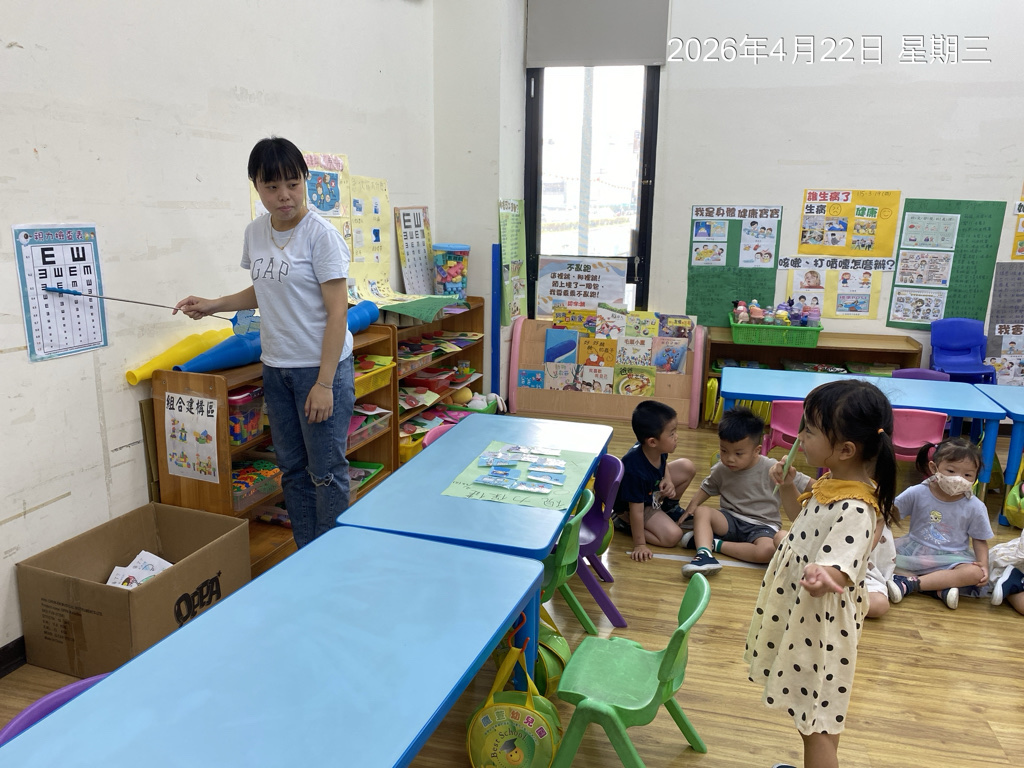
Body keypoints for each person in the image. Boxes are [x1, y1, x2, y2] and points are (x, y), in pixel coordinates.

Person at [174, 137, 355, 549]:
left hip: (319, 370)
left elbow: (338, 312)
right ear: (256, 186)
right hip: (276, 368)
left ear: (305, 179)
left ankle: (334, 558)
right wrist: (213, 304)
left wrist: (325, 383)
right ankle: (306, 554)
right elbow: (265, 287)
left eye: (292, 183)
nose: (284, 195)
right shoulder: (256, 233)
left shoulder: (321, 236)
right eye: (272, 187)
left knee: (326, 472)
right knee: (292, 469)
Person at [746, 379, 898, 768]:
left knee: (814, 721)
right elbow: (803, 526)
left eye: (809, 430)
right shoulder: (833, 484)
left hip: (819, 627)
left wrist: (825, 578)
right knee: (817, 715)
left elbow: (841, 567)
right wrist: (786, 489)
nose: (800, 436)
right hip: (805, 618)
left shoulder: (856, 508)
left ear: (845, 449)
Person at [680, 407, 812, 577]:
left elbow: (809, 484)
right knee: (702, 512)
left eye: (738, 453)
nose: (729, 458)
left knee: (767, 551)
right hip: (729, 519)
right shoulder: (722, 468)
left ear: (756, 450)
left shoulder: (773, 467)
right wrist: (692, 507)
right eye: (724, 451)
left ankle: (714, 544)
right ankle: (704, 554)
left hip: (762, 526)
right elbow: (707, 487)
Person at [887, 438, 992, 610]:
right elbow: (890, 515)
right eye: (951, 471)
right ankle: (937, 588)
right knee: (878, 556)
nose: (958, 479)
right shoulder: (917, 492)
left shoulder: (975, 507)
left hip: (952, 559)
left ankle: (910, 583)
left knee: (975, 573)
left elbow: (980, 540)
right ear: (934, 468)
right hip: (914, 552)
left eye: (967, 475)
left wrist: (984, 566)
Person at [612, 400, 696, 562]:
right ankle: (624, 523)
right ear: (652, 441)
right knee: (673, 536)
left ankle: (670, 509)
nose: (676, 437)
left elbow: (664, 464)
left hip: (650, 491)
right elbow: (636, 511)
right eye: (672, 434)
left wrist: (668, 479)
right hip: (634, 508)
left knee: (687, 467)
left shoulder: (656, 448)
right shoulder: (635, 471)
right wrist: (640, 544)